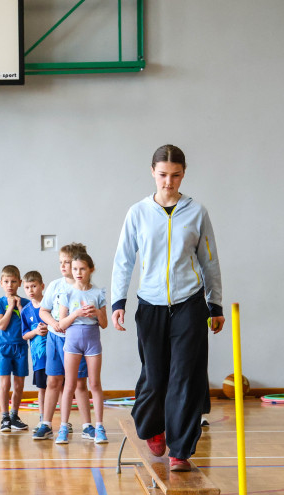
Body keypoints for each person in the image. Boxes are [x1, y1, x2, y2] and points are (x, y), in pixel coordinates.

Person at [111, 144, 224, 472]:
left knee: (185, 377)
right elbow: (123, 260)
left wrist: (214, 303)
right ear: (153, 173)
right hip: (151, 306)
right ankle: (152, 428)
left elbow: (209, 260)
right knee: (154, 376)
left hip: (190, 304)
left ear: (183, 174)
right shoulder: (138, 213)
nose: (168, 182)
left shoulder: (196, 212)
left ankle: (180, 450)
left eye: (175, 176)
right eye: (163, 175)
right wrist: (119, 301)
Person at [35, 244, 94, 441]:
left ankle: (87, 426)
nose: (63, 266)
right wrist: (54, 323)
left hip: (77, 341)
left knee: (79, 383)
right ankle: (46, 423)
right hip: (55, 339)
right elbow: (43, 310)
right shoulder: (55, 286)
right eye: (60, 262)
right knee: (53, 381)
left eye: (67, 262)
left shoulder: (86, 290)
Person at [54, 252, 108, 445]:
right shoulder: (67, 293)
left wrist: (96, 313)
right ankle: (63, 427)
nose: (78, 272)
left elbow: (104, 324)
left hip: (92, 340)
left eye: (82, 268)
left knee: (94, 384)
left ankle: (99, 427)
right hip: (73, 341)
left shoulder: (98, 293)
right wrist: (76, 313)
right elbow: (61, 323)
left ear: (90, 270)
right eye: (75, 268)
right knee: (69, 385)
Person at [0, 265, 30, 433]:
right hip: (4, 348)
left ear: (19, 283)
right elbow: (1, 325)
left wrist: (20, 307)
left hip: (21, 347)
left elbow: (30, 324)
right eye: (6, 281)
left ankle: (15, 416)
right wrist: (10, 307)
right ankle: (5, 417)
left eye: (14, 281)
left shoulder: (26, 302)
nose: (10, 285)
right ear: (1, 283)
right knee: (5, 384)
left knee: (19, 384)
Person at [20, 271, 48, 426]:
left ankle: (65, 420)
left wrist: (49, 328)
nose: (30, 290)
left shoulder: (50, 306)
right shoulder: (26, 311)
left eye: (34, 286)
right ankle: (42, 418)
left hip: (55, 355)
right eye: (27, 287)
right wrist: (36, 332)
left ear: (42, 286)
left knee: (60, 388)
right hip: (39, 359)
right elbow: (24, 335)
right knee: (42, 388)